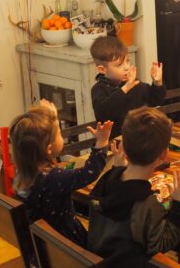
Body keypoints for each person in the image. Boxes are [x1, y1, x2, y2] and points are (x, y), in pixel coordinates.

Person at [88, 107, 180, 266]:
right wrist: (179, 207)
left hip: (100, 259)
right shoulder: (147, 202)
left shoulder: (106, 179)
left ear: (125, 149)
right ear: (164, 155)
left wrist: (118, 169)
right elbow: (160, 244)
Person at [9, 99, 111, 247]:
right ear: (49, 148)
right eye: (58, 133)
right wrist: (101, 143)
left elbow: (62, 172)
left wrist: (50, 116)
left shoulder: (24, 170)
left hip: (40, 247)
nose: (61, 136)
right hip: (67, 248)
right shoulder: (55, 178)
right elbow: (89, 172)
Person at [90, 36, 166, 138]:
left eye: (128, 61)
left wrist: (157, 82)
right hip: (115, 144)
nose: (126, 67)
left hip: (139, 139)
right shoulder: (99, 89)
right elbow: (105, 113)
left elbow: (155, 100)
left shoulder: (132, 83)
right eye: (119, 65)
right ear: (102, 69)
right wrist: (125, 88)